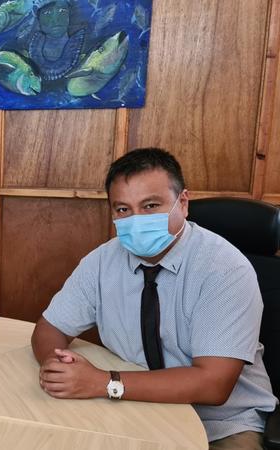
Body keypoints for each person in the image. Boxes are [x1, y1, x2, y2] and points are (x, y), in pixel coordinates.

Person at [31, 148, 277, 449]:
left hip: (220, 423)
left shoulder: (225, 269)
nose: (136, 220)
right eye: (123, 210)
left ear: (182, 203)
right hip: (132, 407)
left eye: (150, 205)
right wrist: (57, 367)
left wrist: (103, 382)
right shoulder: (101, 262)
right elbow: (49, 328)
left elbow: (213, 385)